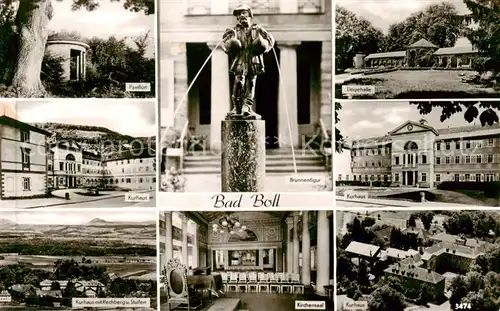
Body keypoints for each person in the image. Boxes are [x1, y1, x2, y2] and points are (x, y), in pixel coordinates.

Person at [222, 4, 275, 119]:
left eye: (244, 13)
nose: (242, 16)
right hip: (240, 59)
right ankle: (237, 107)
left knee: (251, 83)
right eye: (239, 14)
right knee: (239, 81)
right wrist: (230, 45)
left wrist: (266, 48)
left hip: (253, 59)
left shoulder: (257, 29)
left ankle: (247, 106)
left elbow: (270, 40)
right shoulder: (233, 30)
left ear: (249, 14)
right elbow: (224, 45)